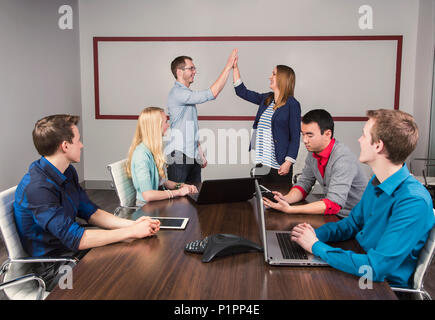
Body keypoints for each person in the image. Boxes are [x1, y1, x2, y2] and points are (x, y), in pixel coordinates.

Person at [290, 109, 435, 288]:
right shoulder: (377, 181)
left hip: (381, 287)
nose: (359, 140)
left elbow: (376, 268)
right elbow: (350, 225)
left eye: (364, 135)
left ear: (378, 146)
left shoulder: (412, 201)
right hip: (359, 265)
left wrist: (316, 246)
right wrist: (311, 235)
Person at [14, 114, 160, 290]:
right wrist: (132, 231)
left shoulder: (67, 171)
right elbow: (77, 239)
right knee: (123, 273)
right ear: (65, 146)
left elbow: (91, 212)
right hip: (56, 268)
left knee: (133, 253)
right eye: (78, 140)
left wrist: (132, 224)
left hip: (72, 251)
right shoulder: (38, 188)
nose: (82, 145)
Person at [263, 109, 367, 218]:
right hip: (336, 216)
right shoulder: (313, 152)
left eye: (309, 135)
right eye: (303, 135)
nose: (305, 140)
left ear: (327, 134)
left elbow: (333, 204)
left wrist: (290, 209)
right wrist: (285, 200)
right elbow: (304, 184)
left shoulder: (343, 158)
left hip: (356, 220)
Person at [166, 49, 238, 183]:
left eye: (194, 68)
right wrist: (228, 67)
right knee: (177, 202)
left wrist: (199, 151)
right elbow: (211, 94)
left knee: (194, 199)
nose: (194, 71)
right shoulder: (177, 93)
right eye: (191, 68)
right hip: (178, 156)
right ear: (179, 72)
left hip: (191, 155)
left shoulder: (186, 94)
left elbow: (190, 127)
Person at [233, 56, 301, 182]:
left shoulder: (292, 104)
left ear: (282, 79)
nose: (270, 77)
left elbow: (295, 136)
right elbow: (242, 92)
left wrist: (288, 162)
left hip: (279, 166)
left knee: (277, 199)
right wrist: (235, 68)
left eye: (274, 74)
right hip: (261, 163)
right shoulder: (266, 99)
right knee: (260, 198)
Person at [127, 107, 198, 204]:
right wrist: (178, 192)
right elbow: (148, 195)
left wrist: (182, 186)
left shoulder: (150, 150)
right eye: (165, 122)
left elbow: (163, 182)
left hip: (155, 205)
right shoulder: (141, 155)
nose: (168, 125)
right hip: (146, 210)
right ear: (155, 126)